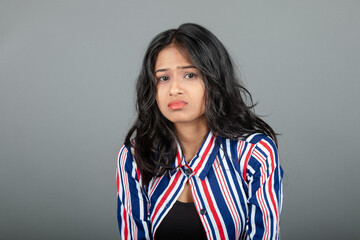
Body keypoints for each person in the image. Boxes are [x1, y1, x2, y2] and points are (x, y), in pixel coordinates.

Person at [116, 23, 283, 240]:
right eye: (163, 78)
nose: (175, 89)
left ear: (214, 80)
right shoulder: (134, 156)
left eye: (190, 75)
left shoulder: (254, 153)